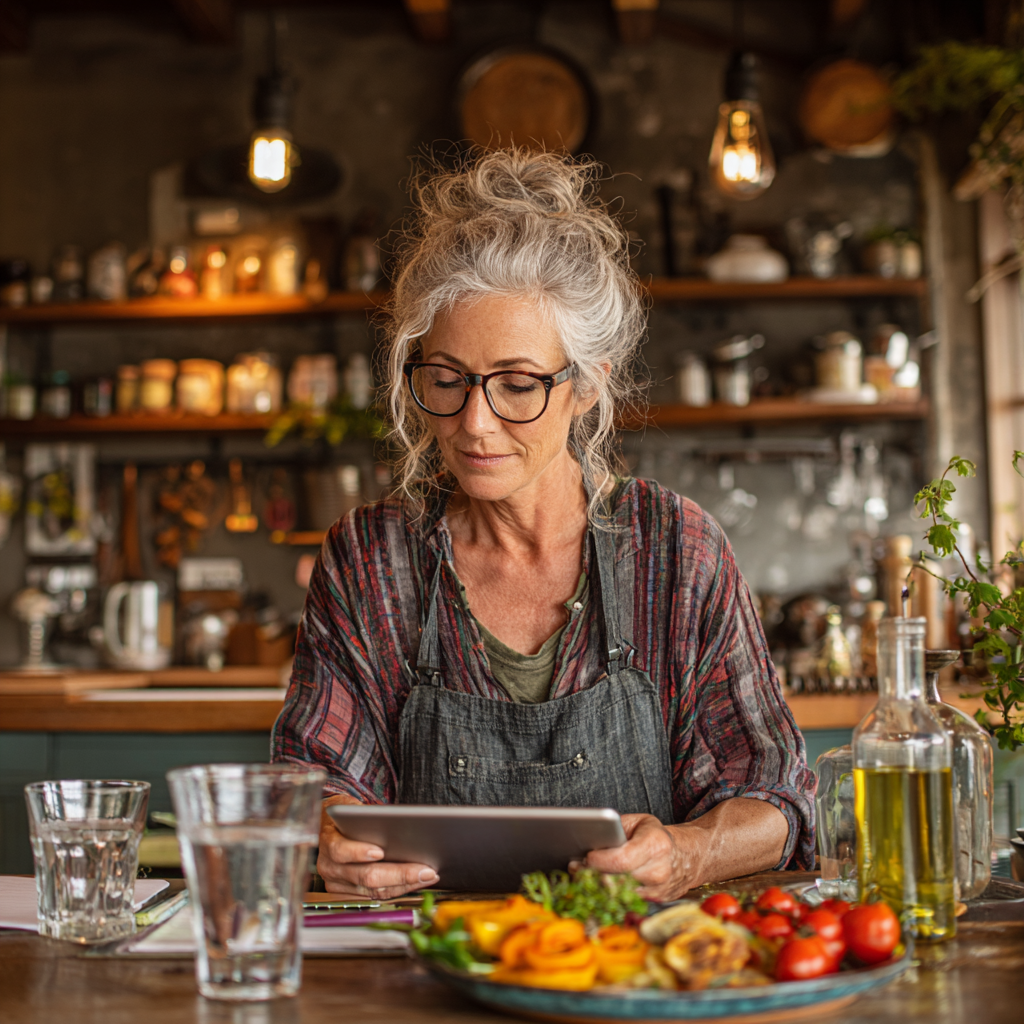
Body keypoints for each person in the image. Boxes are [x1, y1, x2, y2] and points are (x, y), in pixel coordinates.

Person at [272, 148, 815, 901]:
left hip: (633, 978)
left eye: (518, 385)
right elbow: (312, 776)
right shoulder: (371, 556)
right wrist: (328, 835)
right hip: (432, 971)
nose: (474, 423)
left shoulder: (674, 548)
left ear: (587, 385)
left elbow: (777, 798)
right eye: (446, 379)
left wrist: (688, 853)